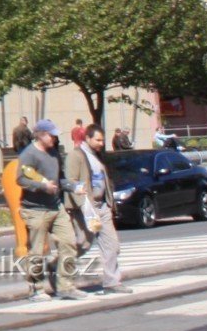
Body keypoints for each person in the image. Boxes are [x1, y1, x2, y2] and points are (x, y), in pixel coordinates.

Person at [16, 120, 83, 300]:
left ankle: (66, 286)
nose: (55, 138)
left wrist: (72, 187)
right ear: (40, 135)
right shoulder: (29, 154)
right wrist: (42, 187)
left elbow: (59, 179)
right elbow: (21, 179)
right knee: (37, 251)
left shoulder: (54, 153)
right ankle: (36, 288)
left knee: (68, 243)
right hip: (35, 209)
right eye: (51, 135)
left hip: (55, 206)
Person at [67, 124, 127, 294]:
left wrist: (109, 202)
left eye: (102, 140)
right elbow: (71, 181)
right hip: (86, 208)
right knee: (82, 244)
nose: (101, 143)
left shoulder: (98, 156)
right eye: (98, 140)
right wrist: (82, 205)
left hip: (102, 207)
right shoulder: (76, 155)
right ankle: (57, 268)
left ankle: (112, 282)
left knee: (111, 245)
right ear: (87, 138)